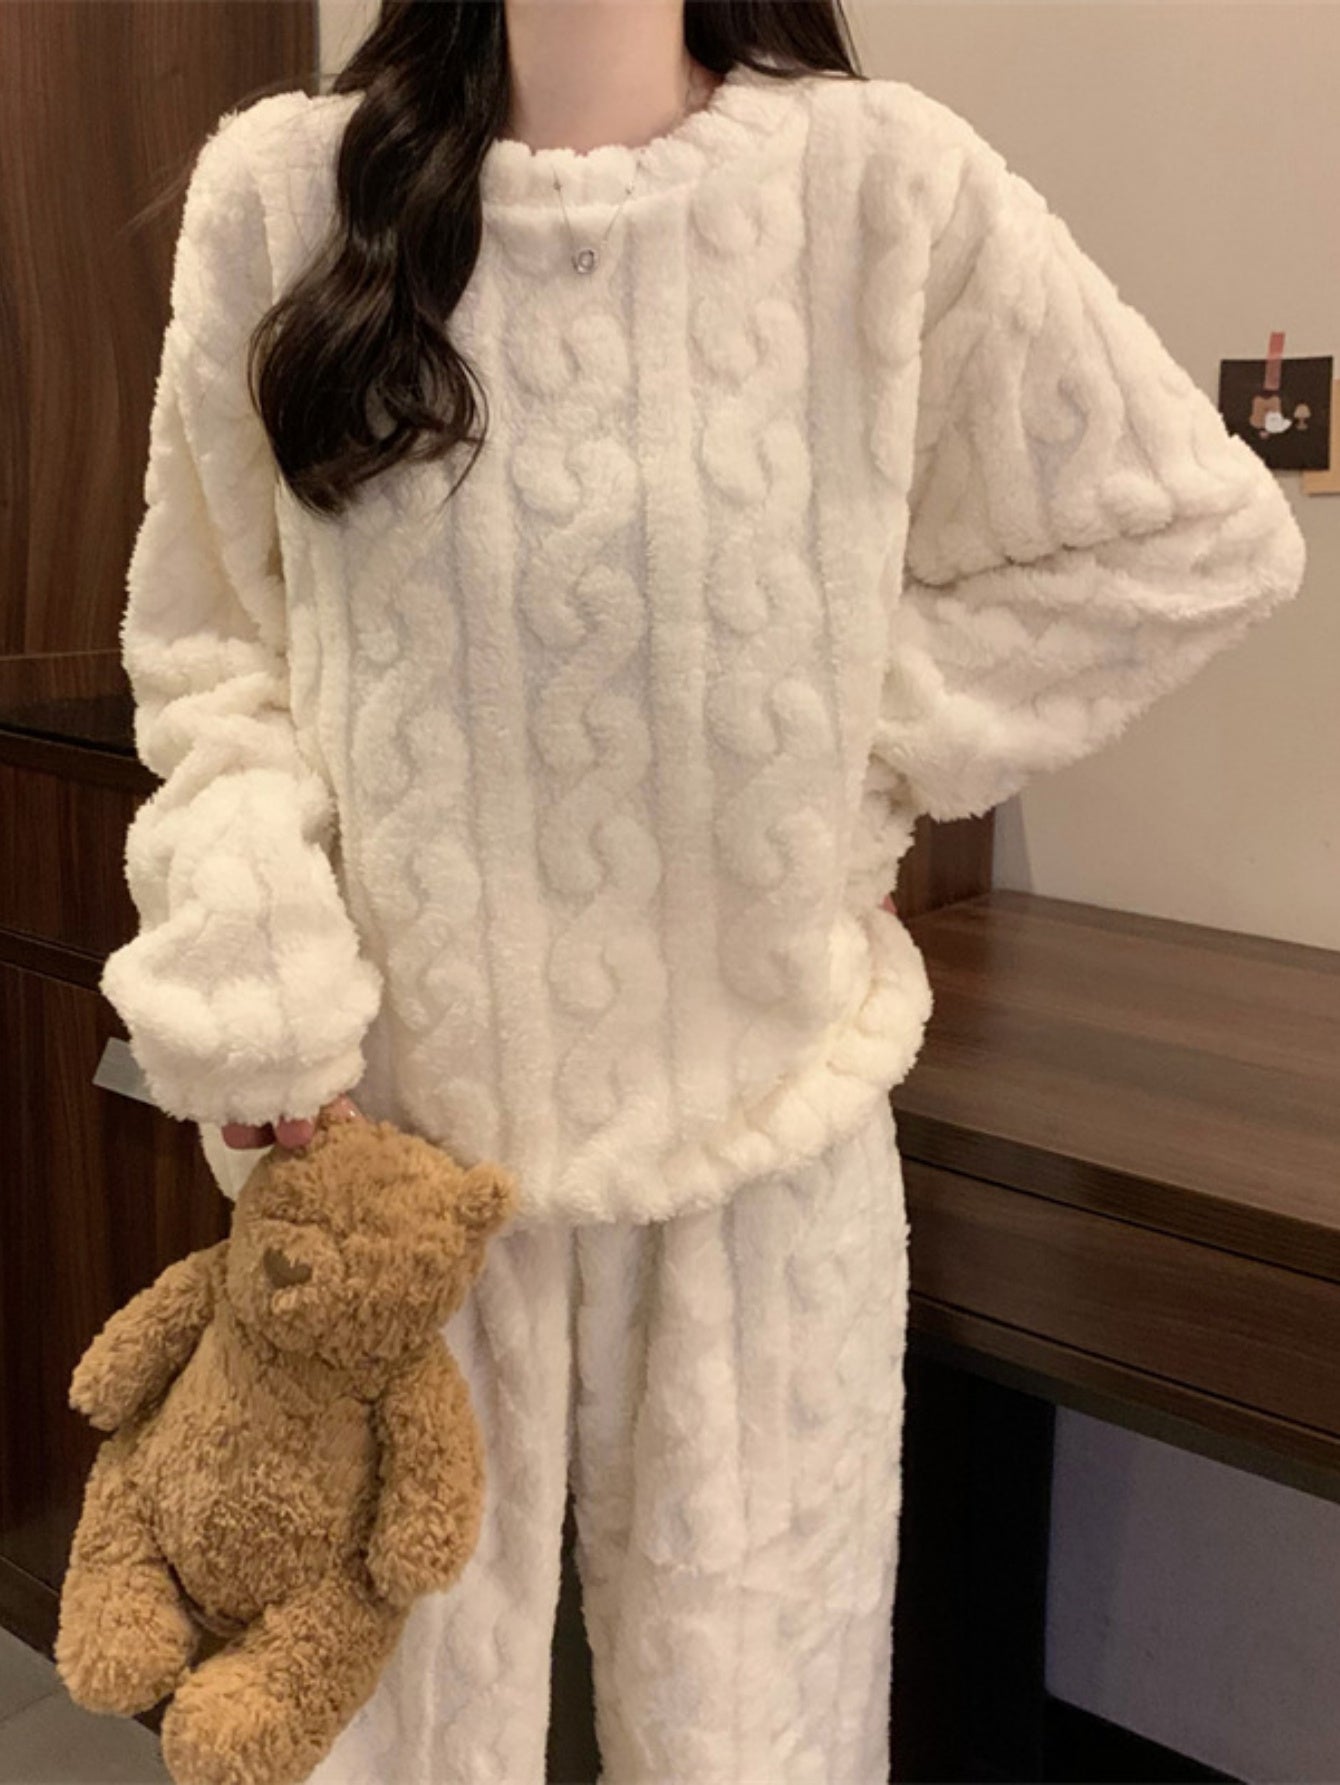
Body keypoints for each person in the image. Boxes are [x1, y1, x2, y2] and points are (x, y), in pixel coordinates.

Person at [101, 1, 1306, 1779]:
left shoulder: (880, 189)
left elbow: (1190, 533)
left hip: (761, 1142)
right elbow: (213, 655)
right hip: (392, 1177)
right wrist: (255, 958)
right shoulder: (283, 199)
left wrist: (843, 738)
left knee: (763, 1743)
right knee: (369, 1733)